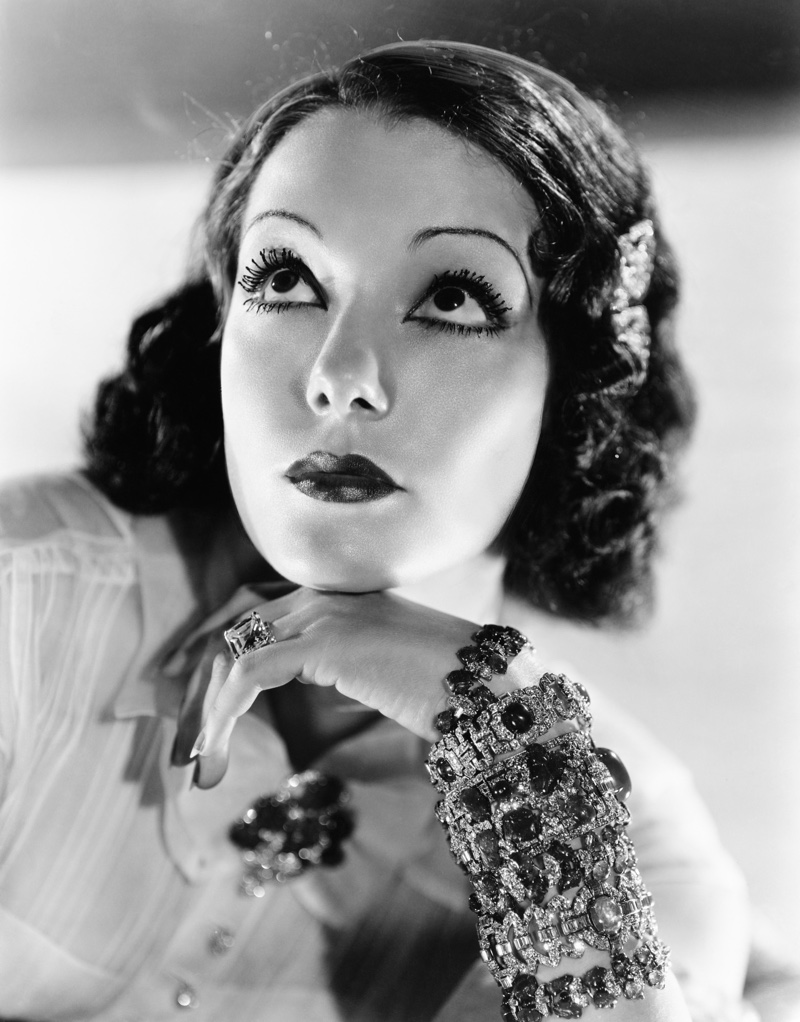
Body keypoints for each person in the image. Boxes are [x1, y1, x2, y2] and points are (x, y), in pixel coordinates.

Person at [0, 39, 760, 1022]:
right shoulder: (24, 592)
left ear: (572, 390)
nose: (338, 370)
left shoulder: (625, 832)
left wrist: (496, 722)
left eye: (449, 298)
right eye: (285, 279)